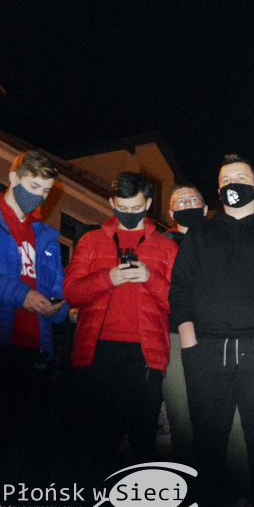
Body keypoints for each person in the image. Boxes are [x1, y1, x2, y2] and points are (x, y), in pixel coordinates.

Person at [169, 154, 254, 507]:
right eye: (225, 180)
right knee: (208, 439)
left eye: (240, 178)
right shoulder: (201, 232)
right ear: (218, 189)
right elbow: (180, 288)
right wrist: (189, 340)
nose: (232, 185)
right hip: (206, 350)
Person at [0, 151, 68, 507]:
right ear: (13, 177)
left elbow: (57, 290)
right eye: (33, 185)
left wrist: (61, 307)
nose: (38, 195)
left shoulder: (46, 237)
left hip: (36, 349)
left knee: (17, 441)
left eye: (46, 190)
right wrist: (22, 296)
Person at [64, 172, 179, 472]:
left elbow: (179, 304)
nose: (129, 215)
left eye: (136, 208)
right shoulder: (91, 241)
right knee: (98, 437)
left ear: (149, 204)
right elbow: (71, 292)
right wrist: (108, 278)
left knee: (143, 441)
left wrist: (150, 278)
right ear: (112, 202)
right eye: (122, 208)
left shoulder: (167, 248)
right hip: (98, 351)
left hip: (146, 355)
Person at [162, 183, 208, 464]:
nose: (188, 203)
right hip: (174, 334)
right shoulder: (160, 243)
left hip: (214, 336)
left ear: (205, 209)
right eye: (180, 201)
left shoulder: (221, 244)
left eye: (194, 199)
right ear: (170, 212)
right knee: (181, 415)